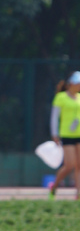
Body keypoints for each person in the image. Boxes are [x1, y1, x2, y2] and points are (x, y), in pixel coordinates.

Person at [48, 71, 80, 199]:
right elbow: (54, 117)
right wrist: (54, 134)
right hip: (67, 135)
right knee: (70, 165)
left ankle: (78, 194)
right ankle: (54, 186)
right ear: (71, 84)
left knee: (79, 165)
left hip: (79, 134)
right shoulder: (61, 97)